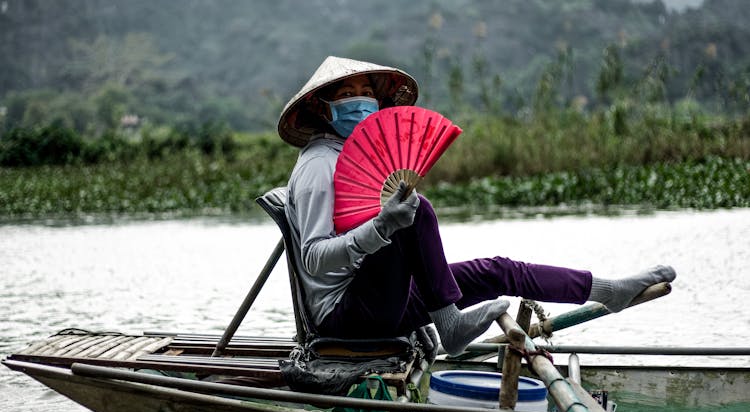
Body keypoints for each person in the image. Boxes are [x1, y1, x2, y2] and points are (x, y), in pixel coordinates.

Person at [277, 56, 676, 355]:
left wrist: (413, 314)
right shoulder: (318, 167)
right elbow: (313, 259)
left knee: (496, 270)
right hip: (346, 316)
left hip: (377, 299)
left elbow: (393, 259)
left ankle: (608, 291)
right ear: (322, 109)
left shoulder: (356, 155)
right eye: (346, 95)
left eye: (365, 92)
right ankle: (449, 324)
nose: (359, 101)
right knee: (417, 211)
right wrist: (382, 227)